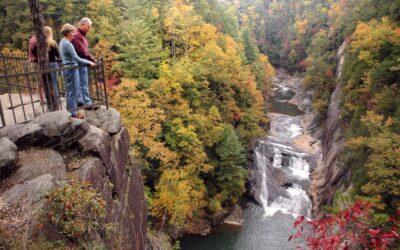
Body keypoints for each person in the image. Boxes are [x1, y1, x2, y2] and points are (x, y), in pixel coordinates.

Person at [59, 23, 95, 118]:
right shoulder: (67, 44)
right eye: (72, 32)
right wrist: (89, 62)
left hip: (67, 68)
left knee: (70, 91)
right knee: (73, 91)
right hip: (71, 68)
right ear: (68, 33)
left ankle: (70, 111)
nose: (74, 34)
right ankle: (73, 113)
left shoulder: (62, 42)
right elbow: (76, 58)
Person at [28, 27, 61, 111]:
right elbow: (58, 54)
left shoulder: (38, 44)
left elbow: (33, 52)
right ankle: (56, 98)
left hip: (43, 65)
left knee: (46, 83)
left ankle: (49, 98)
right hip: (53, 64)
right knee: (54, 81)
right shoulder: (53, 43)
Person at [71, 17, 97, 110]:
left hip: (81, 61)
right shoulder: (78, 35)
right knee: (83, 82)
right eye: (88, 26)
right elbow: (82, 51)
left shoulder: (81, 35)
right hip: (81, 62)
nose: (89, 29)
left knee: (81, 83)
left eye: (90, 27)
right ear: (82, 25)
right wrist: (92, 60)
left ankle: (81, 101)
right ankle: (87, 103)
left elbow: (84, 50)